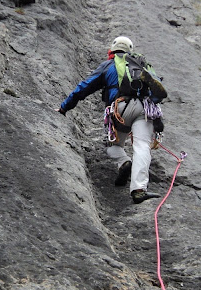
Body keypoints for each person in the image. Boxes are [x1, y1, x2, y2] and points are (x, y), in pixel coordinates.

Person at [57, 36, 165, 204]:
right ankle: (138, 190)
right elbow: (157, 92)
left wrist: (64, 107)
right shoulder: (142, 64)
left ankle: (123, 161)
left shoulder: (109, 65)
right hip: (144, 109)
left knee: (113, 146)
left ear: (112, 49)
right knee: (142, 146)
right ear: (130, 50)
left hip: (119, 109)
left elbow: (84, 87)